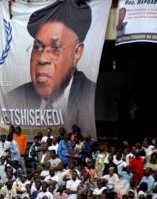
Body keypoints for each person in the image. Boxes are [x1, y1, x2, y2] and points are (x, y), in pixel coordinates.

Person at [7, 0, 96, 138]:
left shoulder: (88, 94)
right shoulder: (14, 97)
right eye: (37, 47)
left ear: (77, 53)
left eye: (55, 49)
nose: (42, 59)